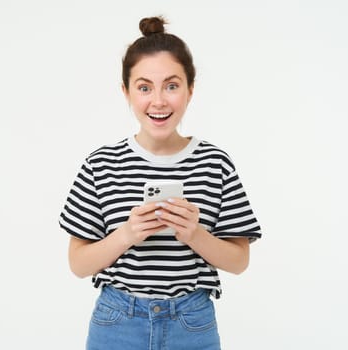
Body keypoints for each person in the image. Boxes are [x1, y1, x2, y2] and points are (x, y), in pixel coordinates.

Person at [59, 16, 262, 350]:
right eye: (144, 87)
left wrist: (194, 234)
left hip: (191, 323)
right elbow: (78, 264)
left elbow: (239, 261)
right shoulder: (100, 164)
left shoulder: (215, 164)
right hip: (117, 323)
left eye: (171, 85)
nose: (158, 101)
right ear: (126, 91)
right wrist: (127, 234)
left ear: (190, 89)